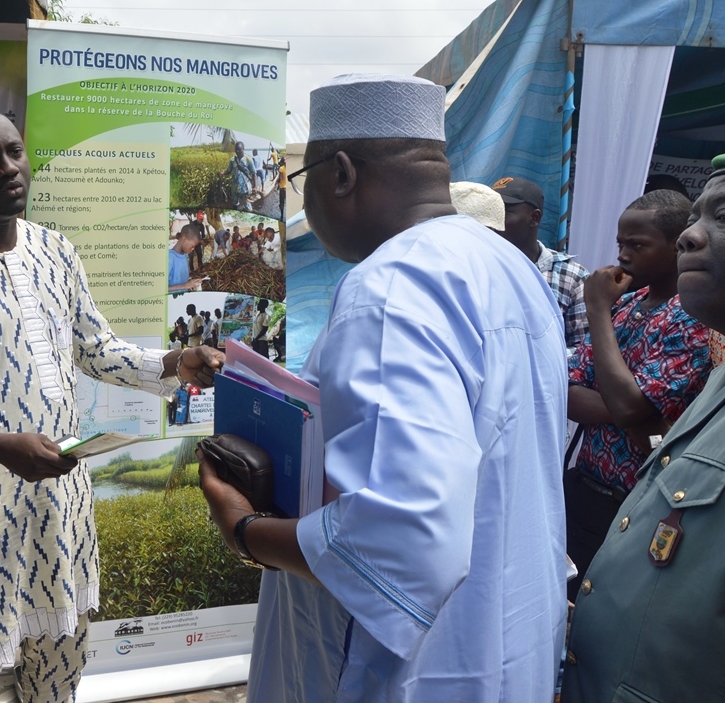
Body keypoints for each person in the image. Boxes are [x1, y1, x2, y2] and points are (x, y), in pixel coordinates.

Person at [198, 74, 566, 702]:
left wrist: (243, 528)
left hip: (408, 670)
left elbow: (400, 539)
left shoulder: (393, 288)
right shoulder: (509, 266)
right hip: (506, 641)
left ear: (339, 173)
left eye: (301, 181)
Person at [0, 103, 222, 703]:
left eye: (14, 152)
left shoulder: (56, 253)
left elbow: (96, 348)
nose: (8, 169)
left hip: (60, 507)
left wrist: (170, 364)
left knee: (58, 672)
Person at [562, 152, 725, 702]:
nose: (693, 237)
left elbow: (633, 412)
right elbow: (569, 387)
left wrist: (618, 400)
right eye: (696, 220)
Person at [563, 189, 712, 595]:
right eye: (620, 245)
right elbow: (572, 395)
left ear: (678, 244)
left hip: (639, 501)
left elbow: (628, 407)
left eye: (638, 245)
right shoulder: (626, 308)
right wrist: (643, 416)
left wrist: (596, 310)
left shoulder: (691, 317)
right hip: (585, 489)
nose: (624, 256)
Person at [492, 176, 590, 349]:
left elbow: (582, 351)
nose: (492, 222)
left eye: (503, 212)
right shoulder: (476, 268)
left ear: (534, 218)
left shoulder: (572, 277)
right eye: (490, 212)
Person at [168, 224, 203, 292]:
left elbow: (181, 279)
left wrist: (191, 282)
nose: (193, 249)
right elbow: (159, 289)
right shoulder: (169, 258)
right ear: (184, 239)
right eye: (192, 246)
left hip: (183, 300)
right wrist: (185, 285)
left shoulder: (184, 255)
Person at [227, 142, 255, 210]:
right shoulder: (232, 160)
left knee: (247, 206)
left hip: (244, 188)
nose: (238, 151)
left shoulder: (248, 159)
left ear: (243, 149)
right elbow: (228, 170)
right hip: (234, 187)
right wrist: (222, 173)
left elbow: (254, 173)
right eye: (236, 149)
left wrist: (255, 187)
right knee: (235, 204)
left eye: (239, 149)